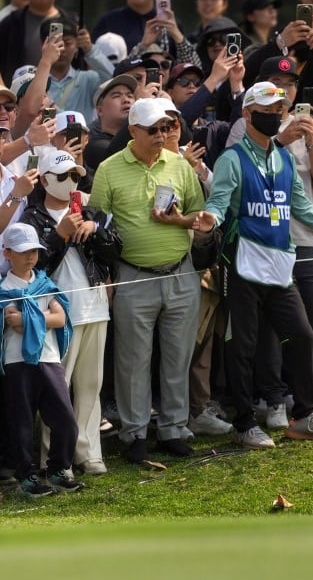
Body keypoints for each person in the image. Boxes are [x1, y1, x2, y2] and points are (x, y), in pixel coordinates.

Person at [194, 82, 313, 448]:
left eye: (279, 107)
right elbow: (218, 203)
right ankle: (245, 423)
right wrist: (209, 221)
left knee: (303, 334)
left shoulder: (283, 159)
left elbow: (304, 208)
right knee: (242, 344)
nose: (276, 113)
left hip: (280, 264)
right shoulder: (232, 158)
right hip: (242, 262)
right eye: (267, 108)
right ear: (247, 113)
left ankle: (305, 417)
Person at [89, 98, 205, 464]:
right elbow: (98, 226)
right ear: (133, 131)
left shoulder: (180, 165)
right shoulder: (109, 169)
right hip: (132, 276)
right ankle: (135, 433)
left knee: (177, 357)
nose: (162, 135)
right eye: (153, 129)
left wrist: (180, 221)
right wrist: (105, 278)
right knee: (133, 361)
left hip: (180, 273)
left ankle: (173, 429)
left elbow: (197, 214)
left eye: (167, 128)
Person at [20, 150, 121, 475]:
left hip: (95, 309)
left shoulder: (91, 211)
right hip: (56, 315)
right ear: (46, 180)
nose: (72, 182)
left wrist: (96, 230)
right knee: (56, 391)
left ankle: (89, 452)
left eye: (76, 176)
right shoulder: (32, 219)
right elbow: (32, 265)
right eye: (64, 176)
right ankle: (56, 459)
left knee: (91, 386)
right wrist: (58, 235)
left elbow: (115, 253)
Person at [0, 222, 83, 498]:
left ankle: (59, 469)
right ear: (7, 253)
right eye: (23, 251)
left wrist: (32, 317)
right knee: (21, 422)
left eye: (34, 250)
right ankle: (26, 476)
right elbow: (13, 322)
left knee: (65, 419)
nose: (31, 257)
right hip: (17, 363)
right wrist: (43, 316)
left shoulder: (46, 284)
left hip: (48, 360)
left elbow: (60, 318)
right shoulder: (4, 290)